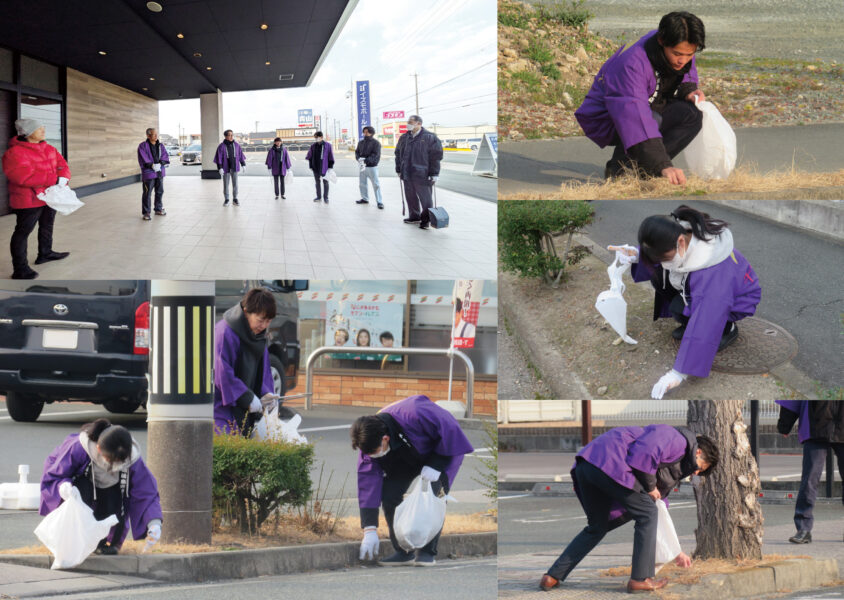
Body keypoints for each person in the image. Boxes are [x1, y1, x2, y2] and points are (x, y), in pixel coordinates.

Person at [540, 425, 719, 593]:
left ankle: (553, 576)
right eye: (700, 467)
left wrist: (676, 551)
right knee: (647, 514)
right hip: (609, 463)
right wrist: (650, 487)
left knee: (597, 527)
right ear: (698, 451)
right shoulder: (677, 439)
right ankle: (640, 579)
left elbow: (659, 504)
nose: (696, 473)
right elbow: (645, 453)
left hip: (588, 465)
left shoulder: (676, 458)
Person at [610, 205, 761, 399]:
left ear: (680, 242)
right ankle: (689, 318)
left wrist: (679, 373)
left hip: (736, 301)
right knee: (661, 279)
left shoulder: (712, 274)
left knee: (693, 314)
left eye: (665, 258)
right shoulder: (682, 231)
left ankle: (727, 328)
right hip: (707, 290)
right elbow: (661, 249)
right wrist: (637, 254)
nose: (664, 262)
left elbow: (707, 318)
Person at [575, 12, 706, 184]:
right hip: (607, 117)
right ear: (662, 41)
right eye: (677, 54)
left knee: (692, 114)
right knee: (652, 119)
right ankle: (621, 170)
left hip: (647, 103)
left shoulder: (676, 45)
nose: (683, 60)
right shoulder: (632, 65)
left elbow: (686, 69)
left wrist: (688, 89)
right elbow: (634, 117)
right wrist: (663, 165)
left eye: (690, 54)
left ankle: (644, 171)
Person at [352, 395, 474, 566]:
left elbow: (451, 430)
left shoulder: (416, 412)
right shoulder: (368, 442)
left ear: (385, 439)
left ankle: (427, 551)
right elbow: (368, 484)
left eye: (375, 452)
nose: (372, 456)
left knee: (434, 496)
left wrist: (437, 464)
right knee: (389, 495)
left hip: (442, 451)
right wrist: (369, 528)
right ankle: (403, 551)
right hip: (405, 457)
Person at [40, 419, 162, 555]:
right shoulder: (78, 447)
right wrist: (63, 486)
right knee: (80, 494)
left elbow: (146, 492)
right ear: (98, 448)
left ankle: (105, 543)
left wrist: (154, 522)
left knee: (113, 502)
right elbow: (55, 473)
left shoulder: (133, 460)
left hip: (112, 492)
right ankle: (73, 540)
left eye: (120, 462)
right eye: (110, 460)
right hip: (82, 489)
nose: (114, 466)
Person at [2, 118, 71, 279]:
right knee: (23, 232)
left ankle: (45, 253)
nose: (43, 130)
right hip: (28, 199)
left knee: (47, 225)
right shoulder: (14, 153)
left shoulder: (50, 148)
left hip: (50, 196)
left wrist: (63, 178)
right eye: (39, 128)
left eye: (43, 127)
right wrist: (54, 179)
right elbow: (22, 177)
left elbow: (62, 165)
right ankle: (20, 269)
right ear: (27, 132)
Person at [214, 288, 280, 436]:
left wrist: (267, 394)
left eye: (268, 321)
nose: (264, 326)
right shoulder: (224, 332)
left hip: (244, 409)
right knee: (228, 442)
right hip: (221, 406)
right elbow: (222, 372)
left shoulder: (259, 336)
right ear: (246, 312)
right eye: (260, 320)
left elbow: (264, 371)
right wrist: (247, 397)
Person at [776, 400, 844, 544]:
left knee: (809, 480)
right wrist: (785, 424)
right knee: (809, 480)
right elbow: (794, 395)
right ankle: (803, 529)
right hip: (816, 426)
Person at [395, 115, 443, 230]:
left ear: (419, 124)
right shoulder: (404, 137)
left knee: (425, 199)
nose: (408, 124)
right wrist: (399, 169)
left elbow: (436, 157)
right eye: (408, 122)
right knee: (410, 196)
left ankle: (426, 220)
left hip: (423, 174)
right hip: (407, 173)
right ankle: (414, 216)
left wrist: (434, 173)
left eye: (411, 122)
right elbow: (398, 154)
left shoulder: (430, 137)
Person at [137, 127, 170, 220]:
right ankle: (146, 213)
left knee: (160, 191)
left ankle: (158, 209)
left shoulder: (160, 146)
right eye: (153, 134)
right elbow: (143, 157)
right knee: (147, 193)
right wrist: (151, 165)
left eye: (156, 134)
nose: (156, 136)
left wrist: (161, 163)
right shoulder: (143, 146)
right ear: (148, 135)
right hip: (149, 174)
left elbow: (165, 155)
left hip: (159, 172)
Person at [214, 130, 246, 206]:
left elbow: (240, 155)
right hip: (225, 168)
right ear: (225, 136)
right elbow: (219, 157)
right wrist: (220, 168)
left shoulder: (236, 145)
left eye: (232, 135)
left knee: (235, 184)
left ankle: (235, 199)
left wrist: (243, 164)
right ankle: (227, 199)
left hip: (234, 167)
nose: (231, 137)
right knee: (226, 184)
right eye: (229, 135)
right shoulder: (221, 146)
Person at [355, 126, 383, 209]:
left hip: (372, 167)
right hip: (362, 166)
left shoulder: (376, 143)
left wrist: (365, 160)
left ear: (372, 133)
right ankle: (365, 199)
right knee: (362, 184)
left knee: (376, 184)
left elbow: (375, 155)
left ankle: (379, 202)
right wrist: (358, 158)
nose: (365, 133)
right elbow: (357, 152)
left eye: (367, 132)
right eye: (364, 132)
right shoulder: (360, 142)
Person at [305, 131, 334, 204]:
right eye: (315, 138)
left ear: (321, 137)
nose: (316, 139)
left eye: (317, 137)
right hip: (316, 167)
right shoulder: (313, 146)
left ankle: (326, 198)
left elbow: (330, 156)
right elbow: (310, 156)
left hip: (325, 167)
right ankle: (318, 197)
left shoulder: (328, 145)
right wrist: (311, 166)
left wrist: (330, 167)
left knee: (325, 182)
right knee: (317, 182)